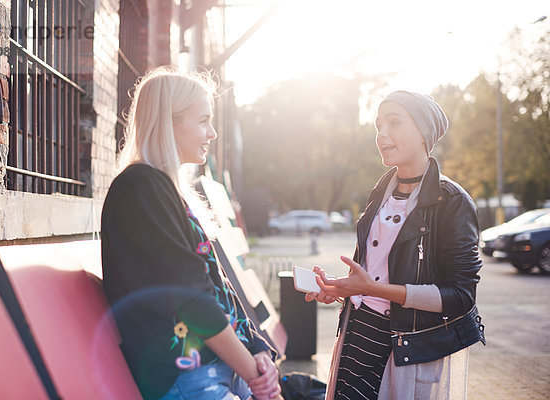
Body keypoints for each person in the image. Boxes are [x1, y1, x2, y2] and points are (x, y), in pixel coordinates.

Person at [101, 68, 281, 400]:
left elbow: (216, 284)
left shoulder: (165, 189)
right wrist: (255, 376)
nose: (211, 133)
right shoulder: (140, 187)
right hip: (186, 376)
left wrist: (258, 349)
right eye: (202, 121)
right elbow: (191, 297)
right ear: (169, 123)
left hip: (221, 365)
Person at [305, 91, 485, 399]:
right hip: (356, 334)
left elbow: (460, 297)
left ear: (424, 132)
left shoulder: (452, 202)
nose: (381, 134)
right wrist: (339, 289)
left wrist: (372, 290)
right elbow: (371, 277)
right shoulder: (380, 191)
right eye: (378, 125)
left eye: (394, 122)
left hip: (404, 347)